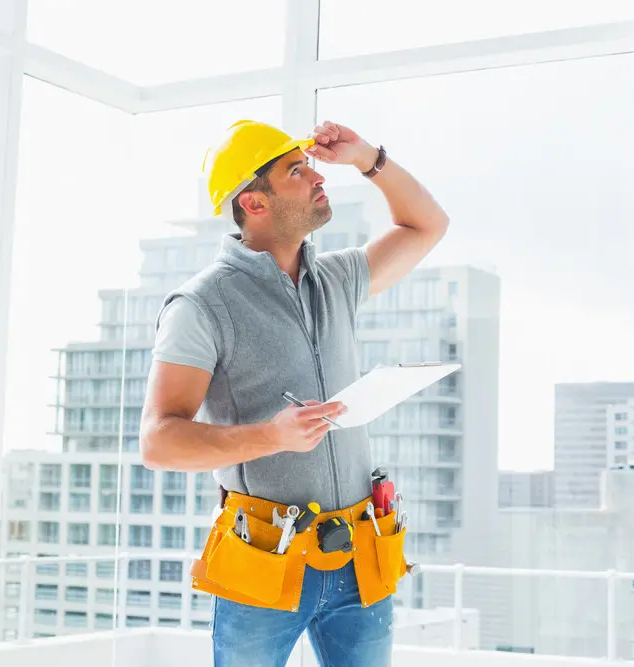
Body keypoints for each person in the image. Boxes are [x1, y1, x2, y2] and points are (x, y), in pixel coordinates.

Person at [139, 119, 449, 667]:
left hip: (360, 556)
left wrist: (368, 158)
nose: (316, 178)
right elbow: (160, 443)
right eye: (296, 171)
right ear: (254, 203)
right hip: (266, 562)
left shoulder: (337, 279)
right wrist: (270, 436)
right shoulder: (201, 305)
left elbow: (428, 225)